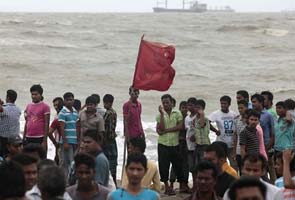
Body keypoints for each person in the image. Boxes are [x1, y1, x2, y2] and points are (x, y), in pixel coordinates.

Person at [156, 94, 186, 195]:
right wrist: (161, 114)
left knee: (178, 165)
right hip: (163, 144)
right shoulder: (159, 114)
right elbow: (160, 129)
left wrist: (167, 130)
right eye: (163, 102)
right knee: (163, 166)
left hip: (174, 144)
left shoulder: (177, 113)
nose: (165, 104)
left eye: (167, 102)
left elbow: (180, 126)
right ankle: (167, 186)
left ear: (171, 103)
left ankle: (182, 185)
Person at [251, 93, 276, 183]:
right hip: (254, 147)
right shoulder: (251, 115)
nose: (252, 104)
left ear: (261, 102)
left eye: (254, 102)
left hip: (267, 147)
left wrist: (267, 147)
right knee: (257, 171)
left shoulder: (268, 115)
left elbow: (273, 133)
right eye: (252, 102)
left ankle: (274, 190)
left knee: (270, 170)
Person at [209, 95, 237, 171]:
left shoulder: (234, 114)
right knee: (220, 164)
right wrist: (215, 131)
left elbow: (237, 128)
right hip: (221, 144)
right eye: (221, 103)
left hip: (231, 144)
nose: (223, 105)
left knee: (234, 165)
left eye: (225, 104)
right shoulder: (216, 114)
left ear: (229, 104)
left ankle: (234, 181)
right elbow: (207, 123)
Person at [169, 100, 190, 192]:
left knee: (185, 165)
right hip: (177, 144)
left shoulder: (189, 119)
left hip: (186, 145)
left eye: (186, 108)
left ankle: (184, 184)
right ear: (179, 108)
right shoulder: (177, 118)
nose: (184, 109)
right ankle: (171, 184)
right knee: (175, 164)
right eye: (182, 108)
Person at [58, 92, 79, 178]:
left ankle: (71, 180)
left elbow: (77, 126)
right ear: (64, 101)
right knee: (66, 162)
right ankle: (64, 181)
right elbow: (62, 128)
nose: (69, 101)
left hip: (74, 141)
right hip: (67, 141)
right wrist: (65, 142)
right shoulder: (62, 112)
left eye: (71, 99)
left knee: (73, 162)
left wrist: (78, 140)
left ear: (73, 100)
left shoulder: (75, 112)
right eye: (67, 100)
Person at [24, 84, 50, 150]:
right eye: (32, 94)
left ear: (41, 94)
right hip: (28, 136)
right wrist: (24, 137)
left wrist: (44, 141)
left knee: (40, 158)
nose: (34, 96)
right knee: (29, 158)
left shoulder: (45, 107)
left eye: (36, 94)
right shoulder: (28, 106)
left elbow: (47, 124)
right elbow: (26, 122)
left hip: (39, 137)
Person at [0, 89, 21, 157]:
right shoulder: (18, 109)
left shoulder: (4, 109)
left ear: (8, 98)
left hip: (4, 138)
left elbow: (3, 110)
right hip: (15, 137)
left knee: (3, 156)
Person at [102, 94, 118, 186]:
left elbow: (105, 127)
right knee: (113, 161)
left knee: (109, 161)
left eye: (106, 103)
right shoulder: (114, 112)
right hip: (112, 139)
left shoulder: (108, 113)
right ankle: (114, 181)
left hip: (108, 139)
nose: (105, 105)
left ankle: (112, 182)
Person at [233, 100, 248, 173]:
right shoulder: (236, 119)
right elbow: (235, 135)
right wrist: (234, 151)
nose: (240, 110)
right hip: (239, 150)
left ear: (247, 107)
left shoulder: (250, 119)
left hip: (248, 150)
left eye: (242, 108)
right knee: (241, 170)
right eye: (239, 108)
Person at [48, 97, 64, 164]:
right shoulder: (56, 115)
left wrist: (54, 142)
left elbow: (49, 132)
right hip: (57, 140)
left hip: (61, 140)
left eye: (57, 105)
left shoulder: (61, 116)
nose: (56, 107)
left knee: (59, 160)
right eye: (54, 105)